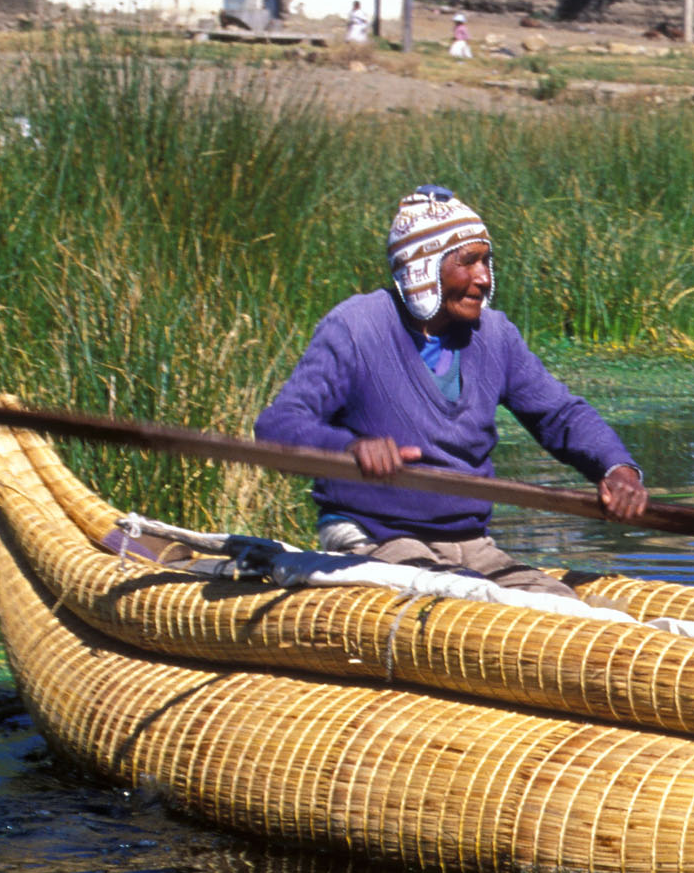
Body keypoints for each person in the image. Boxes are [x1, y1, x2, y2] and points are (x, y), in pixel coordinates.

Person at [255, 186, 648, 599]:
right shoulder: (356, 328)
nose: (484, 277)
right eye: (468, 262)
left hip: (468, 541)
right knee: (466, 604)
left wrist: (615, 469)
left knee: (561, 606)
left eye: (487, 261)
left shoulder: (495, 336)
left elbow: (559, 415)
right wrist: (350, 448)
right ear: (422, 268)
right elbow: (278, 426)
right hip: (373, 534)